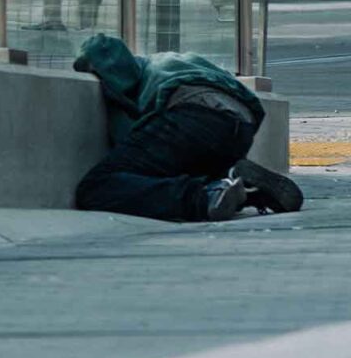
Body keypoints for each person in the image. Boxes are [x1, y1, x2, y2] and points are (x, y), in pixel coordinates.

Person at [73, 34, 303, 222]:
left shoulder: (123, 90)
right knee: (180, 161)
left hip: (191, 116)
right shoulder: (171, 60)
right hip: (241, 126)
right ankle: (233, 180)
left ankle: (205, 198)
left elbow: (128, 142)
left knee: (96, 186)